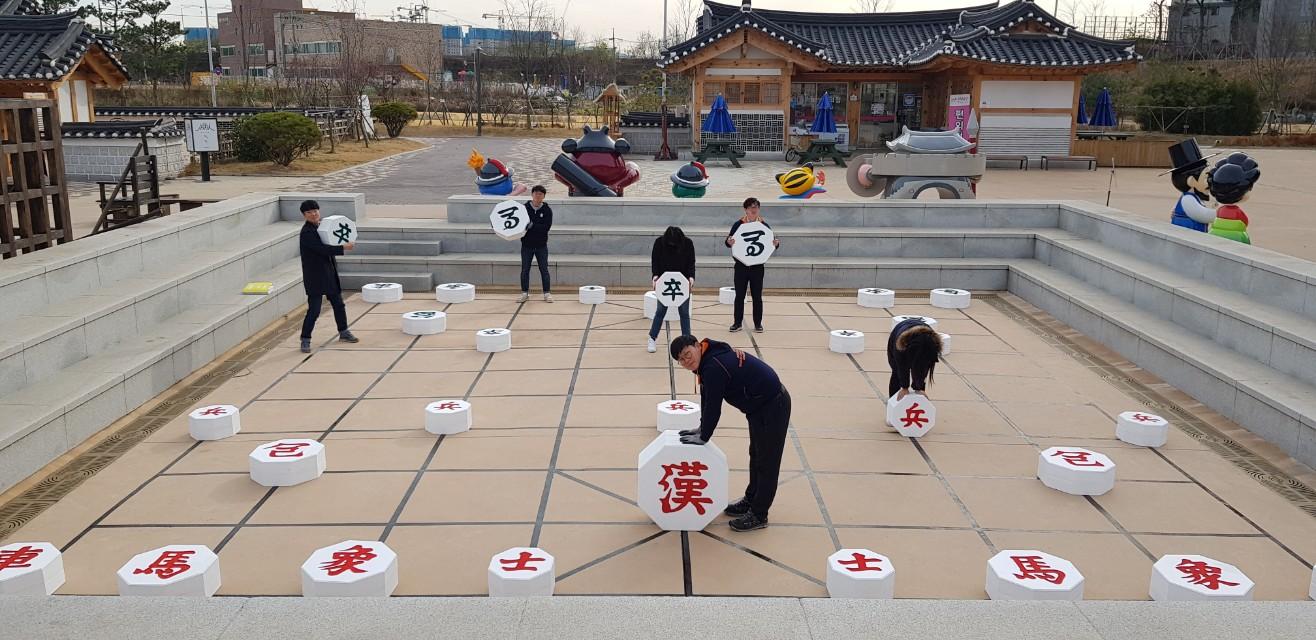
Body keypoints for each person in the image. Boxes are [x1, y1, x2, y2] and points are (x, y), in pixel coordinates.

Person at [670, 334, 791, 532]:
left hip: (773, 404)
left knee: (767, 461)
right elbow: (706, 396)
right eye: (681, 360)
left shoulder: (714, 365)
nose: (686, 361)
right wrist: (701, 429)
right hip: (759, 406)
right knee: (756, 455)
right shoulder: (708, 360)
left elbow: (714, 407)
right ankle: (751, 499)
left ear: (697, 346)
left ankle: (759, 514)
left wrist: (704, 436)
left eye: (687, 354)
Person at [298, 199, 358, 353]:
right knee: (314, 310)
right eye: (309, 212)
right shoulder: (307, 233)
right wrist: (343, 247)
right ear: (304, 215)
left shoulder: (323, 226)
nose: (313, 214)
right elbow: (322, 249)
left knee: (339, 304)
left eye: (315, 210)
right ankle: (305, 339)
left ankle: (344, 332)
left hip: (329, 273)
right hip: (315, 277)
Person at [725, 197, 780, 333]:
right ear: (746, 210)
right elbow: (728, 240)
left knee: (757, 296)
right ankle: (737, 323)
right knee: (739, 295)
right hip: (741, 266)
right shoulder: (738, 224)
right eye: (751, 207)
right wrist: (729, 242)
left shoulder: (764, 225)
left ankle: (758, 324)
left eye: (756, 207)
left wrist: (776, 244)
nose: (754, 210)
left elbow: (771, 242)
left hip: (757, 267)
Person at [648, 226, 695, 353]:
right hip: (665, 281)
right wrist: (655, 276)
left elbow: (691, 262)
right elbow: (655, 261)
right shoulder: (659, 243)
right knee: (660, 311)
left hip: (682, 282)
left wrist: (691, 278)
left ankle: (687, 341)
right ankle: (652, 338)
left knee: (684, 313)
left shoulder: (688, 243)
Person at [888, 317, 943, 400]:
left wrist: (919, 387)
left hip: (922, 341)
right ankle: (892, 399)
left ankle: (919, 394)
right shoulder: (900, 345)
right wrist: (904, 387)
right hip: (898, 333)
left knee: (920, 368)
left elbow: (924, 368)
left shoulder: (931, 346)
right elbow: (901, 367)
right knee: (896, 372)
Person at [519, 185, 554, 302]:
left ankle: (547, 293)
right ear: (532, 194)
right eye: (536, 193)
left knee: (544, 269)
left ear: (544, 196)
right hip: (526, 245)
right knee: (525, 270)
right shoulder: (523, 208)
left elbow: (546, 227)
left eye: (540, 194)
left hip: (541, 246)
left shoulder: (547, 210)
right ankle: (524, 293)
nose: (538, 196)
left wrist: (533, 226)